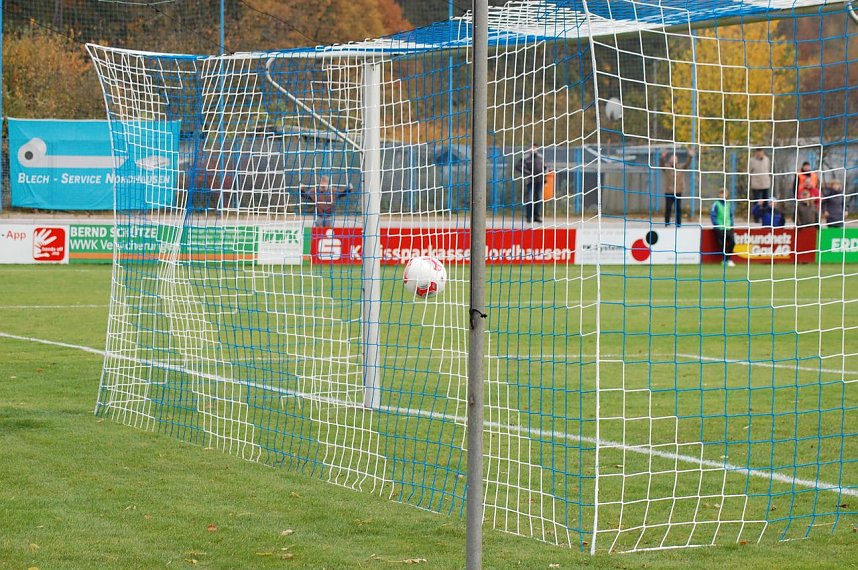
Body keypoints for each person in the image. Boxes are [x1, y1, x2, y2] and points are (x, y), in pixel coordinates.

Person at [660, 147, 694, 226]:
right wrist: (662, 157)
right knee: (668, 208)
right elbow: (661, 165)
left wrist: (690, 156)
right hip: (669, 192)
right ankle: (667, 223)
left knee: (678, 208)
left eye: (674, 159)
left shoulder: (681, 167)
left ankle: (678, 224)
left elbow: (687, 164)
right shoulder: (667, 168)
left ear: (677, 161)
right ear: (670, 161)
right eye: (672, 159)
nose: (673, 161)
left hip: (678, 191)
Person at [515, 144, 547, 224]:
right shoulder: (526, 158)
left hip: (539, 180)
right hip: (530, 181)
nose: (533, 149)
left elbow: (545, 167)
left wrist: (544, 177)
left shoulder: (541, 157)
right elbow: (518, 166)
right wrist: (528, 173)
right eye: (531, 147)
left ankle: (537, 216)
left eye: (534, 147)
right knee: (529, 199)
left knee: (539, 198)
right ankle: (528, 217)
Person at [710, 187, 735, 266]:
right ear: (719, 194)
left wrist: (731, 224)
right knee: (722, 244)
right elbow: (713, 215)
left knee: (732, 242)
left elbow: (730, 215)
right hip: (720, 227)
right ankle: (725, 260)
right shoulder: (716, 204)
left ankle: (729, 259)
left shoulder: (728, 204)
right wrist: (716, 225)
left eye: (725, 193)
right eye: (722, 193)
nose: (723, 195)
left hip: (728, 227)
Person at [748, 149, 772, 220]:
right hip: (756, 184)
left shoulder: (766, 159)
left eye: (761, 152)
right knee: (757, 202)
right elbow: (749, 171)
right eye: (758, 152)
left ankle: (765, 218)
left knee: (766, 202)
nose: (759, 153)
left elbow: (768, 169)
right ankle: (756, 218)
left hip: (765, 183)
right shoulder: (752, 160)